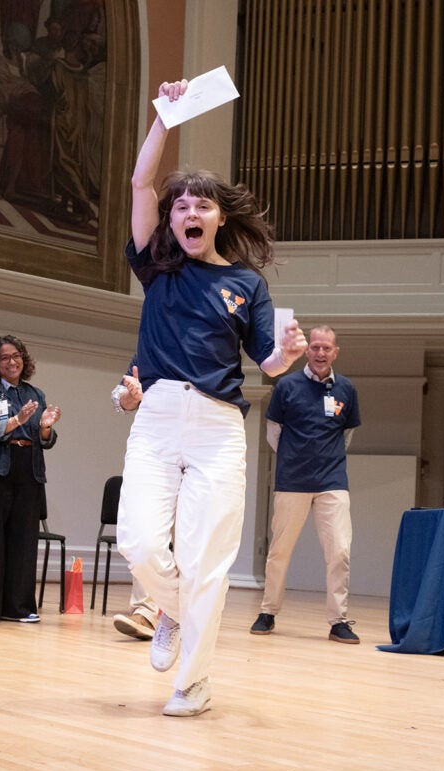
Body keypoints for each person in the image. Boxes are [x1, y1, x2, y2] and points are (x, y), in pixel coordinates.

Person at [115, 78, 307, 717]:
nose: (188, 212)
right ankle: (168, 608)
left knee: (207, 561)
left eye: (201, 205)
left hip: (220, 427)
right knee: (138, 544)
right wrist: (164, 117)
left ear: (219, 216)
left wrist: (289, 357)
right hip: (159, 417)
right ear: (171, 220)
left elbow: (268, 360)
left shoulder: (247, 285)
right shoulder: (156, 267)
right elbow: (142, 183)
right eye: (180, 206)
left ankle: (191, 684)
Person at [250, 325, 362, 643]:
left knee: (340, 550)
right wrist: (294, 459)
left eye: (327, 348)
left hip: (333, 481)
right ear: (307, 350)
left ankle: (338, 620)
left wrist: (324, 460)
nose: (321, 353)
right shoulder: (286, 386)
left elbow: (346, 436)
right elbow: (274, 433)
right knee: (279, 551)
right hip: (292, 481)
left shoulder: (347, 390)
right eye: (315, 347)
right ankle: (268, 612)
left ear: (335, 352)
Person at [0, 335, 61, 624]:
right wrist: (16, 421)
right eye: (5, 357)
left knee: (23, 542)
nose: (12, 361)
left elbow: (46, 439)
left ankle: (17, 606)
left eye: (16, 355)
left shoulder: (35, 393)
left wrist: (45, 428)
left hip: (27, 472)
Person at [109, 364, 159, 641]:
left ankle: (185, 615)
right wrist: (132, 397)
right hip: (154, 451)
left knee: (189, 540)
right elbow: (120, 398)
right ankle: (146, 613)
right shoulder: (152, 343)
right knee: (145, 533)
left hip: (199, 450)